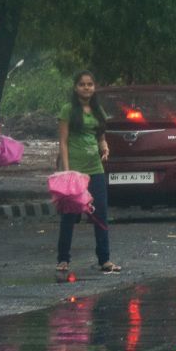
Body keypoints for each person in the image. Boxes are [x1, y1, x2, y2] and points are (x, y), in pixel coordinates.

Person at [57, 70, 120, 274]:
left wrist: (105, 147)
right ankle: (63, 259)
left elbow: (100, 136)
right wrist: (66, 170)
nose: (86, 88)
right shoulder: (68, 110)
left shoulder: (97, 110)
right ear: (75, 88)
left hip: (95, 168)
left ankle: (105, 259)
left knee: (100, 213)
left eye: (90, 84)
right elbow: (63, 142)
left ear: (94, 87)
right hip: (75, 170)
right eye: (82, 84)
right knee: (70, 215)